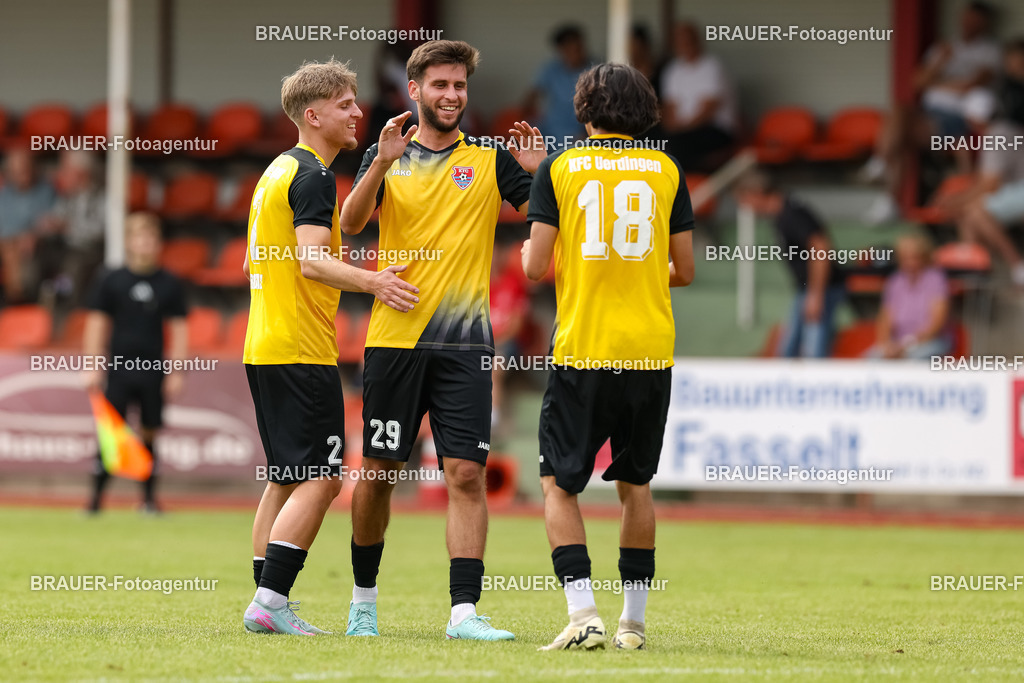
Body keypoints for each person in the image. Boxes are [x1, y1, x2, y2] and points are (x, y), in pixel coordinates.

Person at [340, 39, 545, 641]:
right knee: (378, 472)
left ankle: (463, 614)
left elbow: (546, 217)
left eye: (459, 86)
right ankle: (363, 603)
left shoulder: (488, 156)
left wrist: (542, 173)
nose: (452, 95)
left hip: (465, 345)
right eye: (440, 85)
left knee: (465, 475)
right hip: (394, 340)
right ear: (415, 90)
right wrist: (379, 162)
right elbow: (350, 224)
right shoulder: (386, 154)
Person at [241, 59, 419, 636]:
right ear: (313, 115)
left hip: (265, 343)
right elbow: (312, 260)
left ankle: (266, 599)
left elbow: (252, 261)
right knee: (324, 475)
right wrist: (376, 282)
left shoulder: (275, 171)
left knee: (285, 477)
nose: (357, 112)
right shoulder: (315, 174)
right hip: (299, 347)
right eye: (345, 103)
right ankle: (270, 601)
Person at [522, 62, 695, 651]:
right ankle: (634, 625)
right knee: (635, 485)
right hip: (649, 352)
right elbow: (686, 271)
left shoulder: (561, 168)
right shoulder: (667, 170)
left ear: (584, 108)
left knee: (557, 483)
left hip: (584, 349)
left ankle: (582, 614)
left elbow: (534, 267)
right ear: (644, 109)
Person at [82, 212, 187, 514]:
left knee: (150, 431)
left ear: (158, 243)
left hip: (153, 371)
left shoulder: (169, 283)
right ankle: (95, 501)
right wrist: (92, 365)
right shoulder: (111, 280)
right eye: (139, 237)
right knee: (111, 432)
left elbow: (179, 330)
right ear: (128, 242)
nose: (145, 243)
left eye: (151, 238)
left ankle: (149, 500)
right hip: (119, 370)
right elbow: (96, 324)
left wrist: (176, 371)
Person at [863, 1, 1000, 224]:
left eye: (975, 20)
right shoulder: (945, 47)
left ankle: (882, 165)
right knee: (899, 112)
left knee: (901, 135)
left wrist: (935, 84)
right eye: (966, 18)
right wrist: (939, 63)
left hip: (955, 120)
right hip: (927, 112)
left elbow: (971, 85)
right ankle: (887, 188)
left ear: (984, 23)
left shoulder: (989, 51)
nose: (968, 24)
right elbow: (917, 82)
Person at [735, 171, 846, 358]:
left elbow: (820, 248)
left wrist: (815, 294)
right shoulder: (781, 214)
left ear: (757, 193)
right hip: (806, 289)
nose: (744, 206)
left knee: (813, 350)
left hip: (821, 288)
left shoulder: (792, 213)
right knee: (789, 350)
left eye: (744, 199)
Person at [956, 39, 1024, 285]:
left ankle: (1016, 266)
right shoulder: (1007, 129)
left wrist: (955, 201)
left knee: (976, 211)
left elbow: (990, 185)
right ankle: (976, 276)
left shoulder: (999, 134)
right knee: (970, 217)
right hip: (1016, 191)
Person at [659, 21, 738, 171]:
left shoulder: (711, 66)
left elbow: (708, 110)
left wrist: (682, 130)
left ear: (697, 40)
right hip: (683, 132)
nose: (684, 45)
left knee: (679, 145)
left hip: (716, 129)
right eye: (680, 41)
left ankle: (685, 188)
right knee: (656, 141)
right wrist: (673, 129)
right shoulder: (673, 70)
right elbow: (669, 107)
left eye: (688, 40)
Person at [36, 150, 107, 306]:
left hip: (91, 251)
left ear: (81, 173)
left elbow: (100, 232)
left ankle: (71, 313)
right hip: (64, 247)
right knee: (37, 255)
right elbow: (54, 220)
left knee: (73, 266)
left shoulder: (101, 197)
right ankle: (35, 306)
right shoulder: (66, 197)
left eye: (65, 169)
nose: (60, 174)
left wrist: (69, 227)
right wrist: (49, 225)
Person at [868, 234, 952, 360]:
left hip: (930, 342)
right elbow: (885, 319)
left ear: (924, 258)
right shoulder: (895, 281)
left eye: (914, 258)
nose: (909, 263)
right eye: (905, 258)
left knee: (912, 361)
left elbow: (936, 323)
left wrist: (907, 345)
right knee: (872, 359)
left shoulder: (935, 279)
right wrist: (886, 345)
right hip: (898, 343)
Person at [0, 147, 55, 302]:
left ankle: (16, 300)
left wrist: (32, 234)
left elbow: (47, 222)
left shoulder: (45, 191)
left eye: (25, 170)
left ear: (33, 169)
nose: (22, 176)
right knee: (9, 249)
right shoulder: (4, 195)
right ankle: (16, 297)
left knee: (16, 250)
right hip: (8, 242)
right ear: (9, 173)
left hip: (35, 242)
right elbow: (4, 225)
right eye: (16, 172)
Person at [523, 25, 589, 149]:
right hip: (551, 129)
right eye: (569, 48)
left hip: (581, 130)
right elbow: (531, 96)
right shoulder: (551, 69)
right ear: (561, 50)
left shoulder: (593, 68)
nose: (575, 52)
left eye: (578, 47)